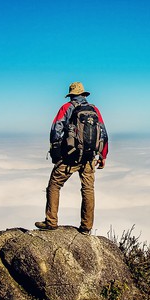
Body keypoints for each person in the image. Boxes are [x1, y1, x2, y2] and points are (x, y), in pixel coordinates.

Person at [35, 82, 109, 235]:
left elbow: (56, 130)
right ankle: (86, 226)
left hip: (70, 157)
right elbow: (103, 133)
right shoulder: (95, 110)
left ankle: (51, 221)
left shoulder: (66, 108)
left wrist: (56, 153)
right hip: (89, 158)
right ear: (84, 95)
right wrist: (103, 156)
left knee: (54, 185)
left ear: (71, 95)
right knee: (88, 189)